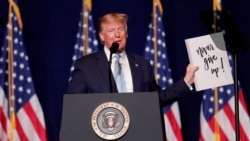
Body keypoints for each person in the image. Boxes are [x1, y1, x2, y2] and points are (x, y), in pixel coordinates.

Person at [67, 13, 199, 107]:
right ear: (102, 36)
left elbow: (156, 99)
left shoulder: (142, 64)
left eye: (121, 29)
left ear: (127, 33)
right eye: (111, 30)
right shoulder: (86, 65)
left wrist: (186, 81)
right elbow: (74, 104)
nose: (117, 34)